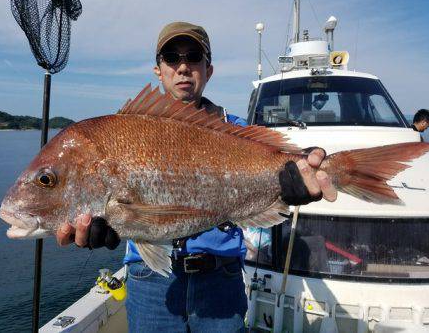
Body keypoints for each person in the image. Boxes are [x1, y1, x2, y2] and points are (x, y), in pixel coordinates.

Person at [56, 22, 337, 332]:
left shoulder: (237, 131)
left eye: (193, 56)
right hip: (149, 281)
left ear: (209, 69)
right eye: (172, 57)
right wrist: (99, 224)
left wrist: (298, 177)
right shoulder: (125, 130)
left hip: (221, 279)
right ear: (158, 69)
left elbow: (277, 162)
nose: (183, 67)